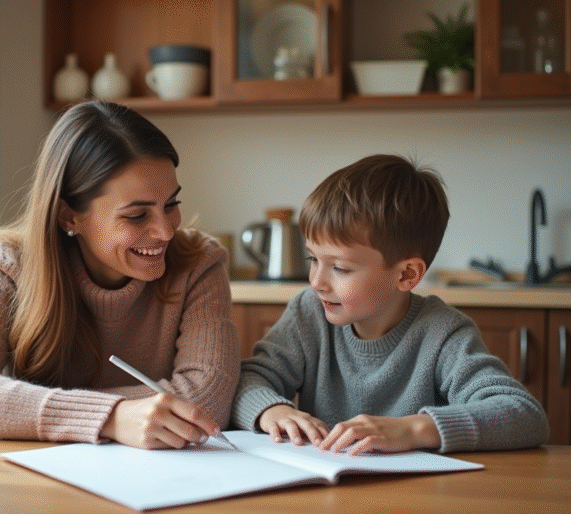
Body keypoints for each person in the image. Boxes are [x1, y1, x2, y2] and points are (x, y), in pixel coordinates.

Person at [0, 100, 239, 450]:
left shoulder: (198, 262)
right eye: (137, 216)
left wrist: (28, 407)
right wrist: (112, 417)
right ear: (69, 216)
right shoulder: (7, 263)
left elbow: (208, 403)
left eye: (171, 205)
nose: (166, 231)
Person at [230, 154, 549, 455]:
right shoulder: (308, 312)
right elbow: (246, 380)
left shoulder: (443, 333)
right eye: (312, 259)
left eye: (340, 268)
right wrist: (273, 409)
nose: (316, 281)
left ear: (407, 274)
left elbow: (522, 414)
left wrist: (412, 429)